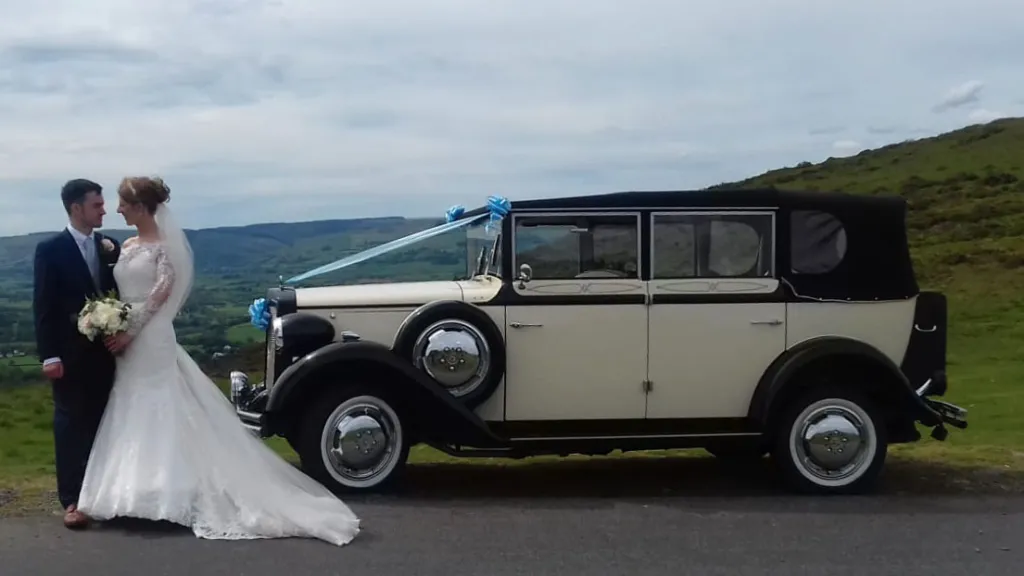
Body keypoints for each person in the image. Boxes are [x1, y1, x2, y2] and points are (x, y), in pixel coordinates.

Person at [75, 176, 360, 546]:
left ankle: (167, 493)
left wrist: (129, 330)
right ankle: (135, 491)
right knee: (131, 406)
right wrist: (112, 318)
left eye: (123, 203)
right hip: (129, 340)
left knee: (160, 406)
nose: (118, 209)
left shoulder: (165, 249)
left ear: (142, 206)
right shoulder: (125, 244)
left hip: (152, 337)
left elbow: (160, 297)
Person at [32, 179, 122, 529]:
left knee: (105, 423)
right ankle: (72, 500)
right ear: (76, 209)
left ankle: (103, 495)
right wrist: (49, 356)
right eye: (97, 205)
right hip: (68, 354)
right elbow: (43, 306)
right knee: (70, 426)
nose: (104, 210)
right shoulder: (50, 249)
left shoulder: (108, 247)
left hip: (107, 355)